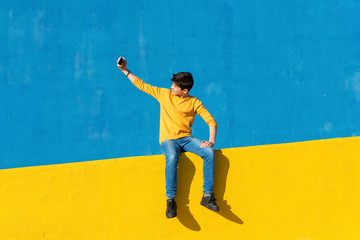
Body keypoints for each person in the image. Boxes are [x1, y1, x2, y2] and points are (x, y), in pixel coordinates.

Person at [117, 57, 219, 218]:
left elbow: (211, 121)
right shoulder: (164, 94)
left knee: (209, 153)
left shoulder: (194, 102)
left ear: (185, 90)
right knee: (171, 156)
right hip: (168, 140)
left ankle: (207, 196)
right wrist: (124, 70)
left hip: (186, 139)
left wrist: (211, 141)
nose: (171, 87)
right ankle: (170, 200)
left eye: (175, 86)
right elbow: (142, 85)